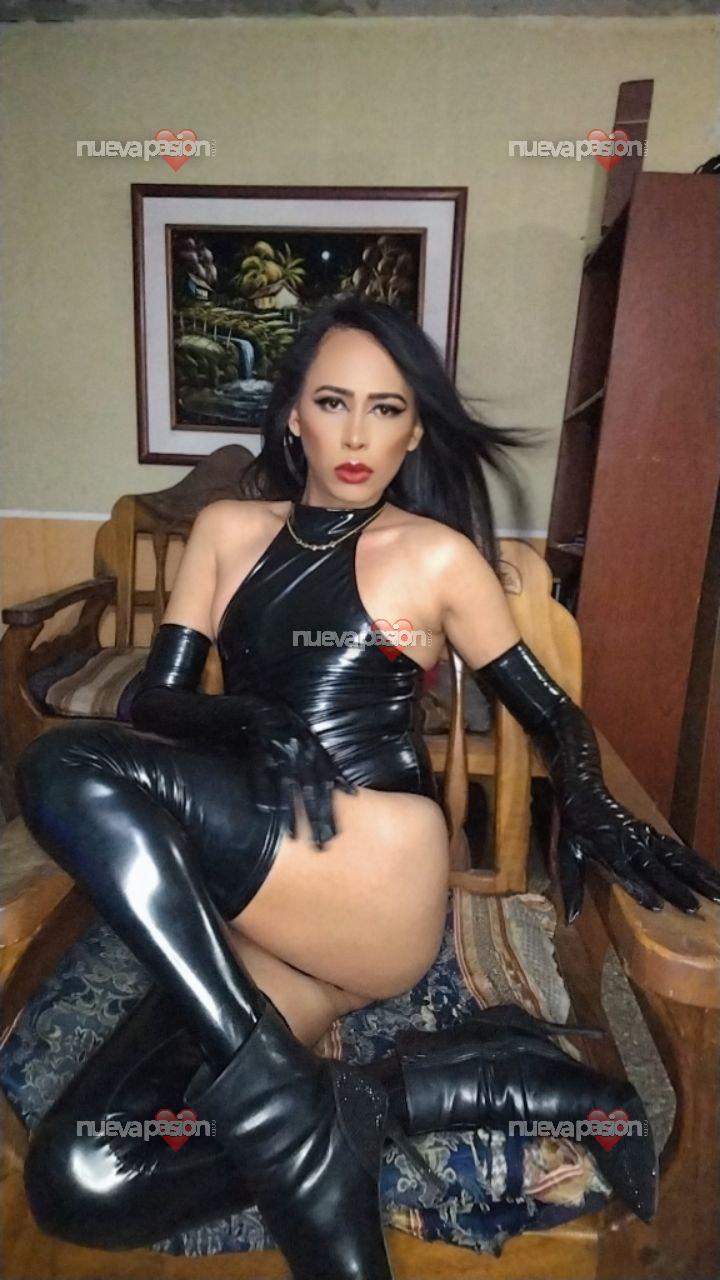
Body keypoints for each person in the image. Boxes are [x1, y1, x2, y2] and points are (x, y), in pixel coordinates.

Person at [15, 298, 720, 1280]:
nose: (356, 436)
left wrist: (595, 799)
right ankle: (402, 1092)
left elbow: (552, 713)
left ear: (415, 430)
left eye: (386, 409)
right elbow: (156, 698)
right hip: (261, 917)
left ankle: (285, 1098)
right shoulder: (227, 528)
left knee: (62, 764)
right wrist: (246, 719)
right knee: (82, 1177)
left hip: (373, 872)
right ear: (292, 415)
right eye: (333, 402)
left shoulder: (435, 555)